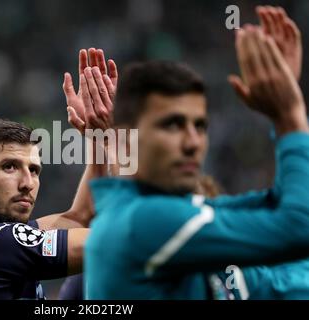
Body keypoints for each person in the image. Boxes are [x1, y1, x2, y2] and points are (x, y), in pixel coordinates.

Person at [83, 22, 309, 299]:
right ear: (125, 138)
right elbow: (298, 226)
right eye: (172, 125)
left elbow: (279, 207)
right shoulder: (145, 222)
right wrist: (289, 115)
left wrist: (285, 95)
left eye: (200, 126)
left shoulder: (170, 214)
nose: (193, 143)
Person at [0, 49, 116, 300]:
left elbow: (80, 217)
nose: (27, 183)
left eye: (34, 170)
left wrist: (98, 138)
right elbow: (117, 241)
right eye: (9, 167)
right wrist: (117, 139)